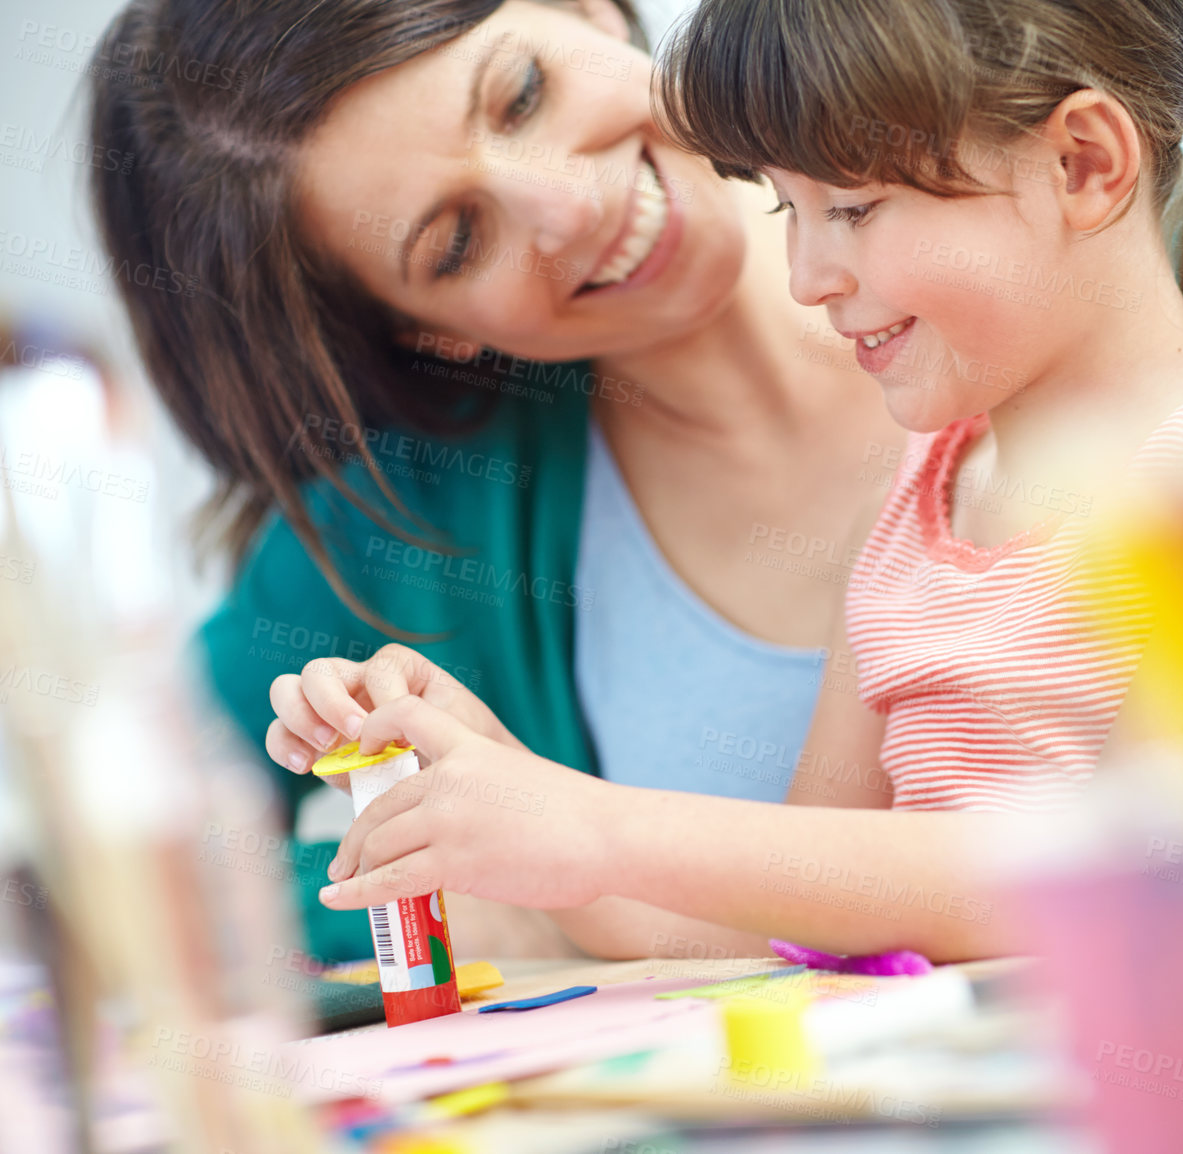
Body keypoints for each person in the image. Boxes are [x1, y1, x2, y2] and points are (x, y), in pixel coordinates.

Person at [286, 0, 1183, 961]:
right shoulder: (921, 499)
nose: (805, 273)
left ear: (1082, 162)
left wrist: (603, 824)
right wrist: (506, 790)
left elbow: (1149, 871)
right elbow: (798, 899)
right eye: (784, 207)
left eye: (850, 207)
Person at [86, 0, 903, 960]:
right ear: (425, 333)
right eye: (457, 244)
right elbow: (112, 859)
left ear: (587, 11)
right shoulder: (409, 515)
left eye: (521, 95)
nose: (571, 206)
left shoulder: (1019, 215)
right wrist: (482, 895)